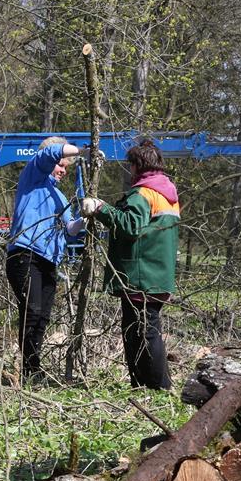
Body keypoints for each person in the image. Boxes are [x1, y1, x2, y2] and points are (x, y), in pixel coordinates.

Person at [81, 141, 179, 390]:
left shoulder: (142, 193)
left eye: (130, 165)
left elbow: (130, 226)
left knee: (142, 334)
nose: (129, 170)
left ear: (137, 165)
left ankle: (157, 388)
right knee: (144, 332)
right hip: (157, 275)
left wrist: (101, 209)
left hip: (140, 276)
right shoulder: (166, 192)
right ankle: (144, 385)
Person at [5, 136, 86, 382]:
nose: (62, 171)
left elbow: (70, 228)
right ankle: (30, 368)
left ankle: (33, 370)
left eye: (66, 168)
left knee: (43, 316)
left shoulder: (60, 197)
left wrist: (88, 216)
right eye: (61, 165)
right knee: (32, 310)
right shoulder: (33, 176)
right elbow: (49, 154)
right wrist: (84, 151)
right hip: (25, 254)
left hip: (49, 259)